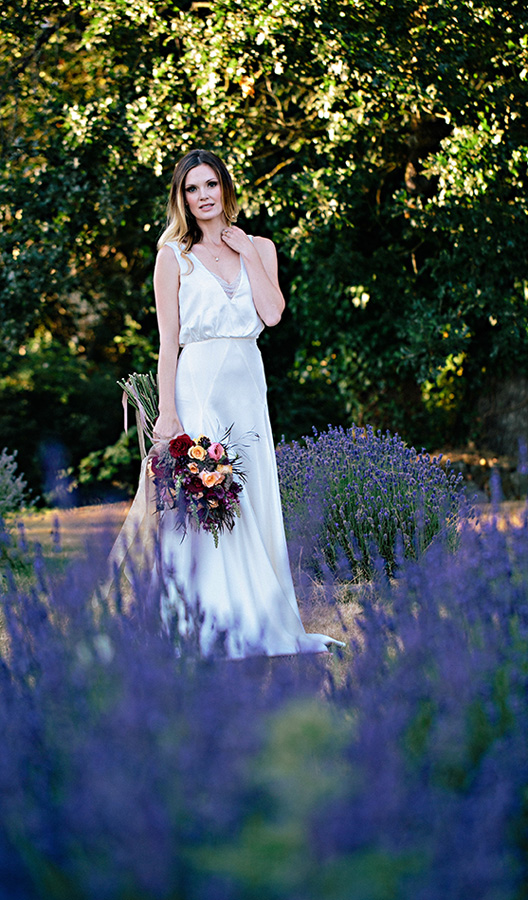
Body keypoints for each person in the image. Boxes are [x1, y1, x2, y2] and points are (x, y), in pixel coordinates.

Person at [149, 148, 342, 658]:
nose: (203, 196)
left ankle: (264, 616)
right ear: (181, 198)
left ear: (225, 188)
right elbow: (169, 342)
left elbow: (274, 314)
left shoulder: (259, 245)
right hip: (199, 385)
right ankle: (210, 617)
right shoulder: (173, 256)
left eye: (210, 184)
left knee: (252, 494)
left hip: (247, 386)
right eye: (192, 189)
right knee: (211, 494)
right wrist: (168, 411)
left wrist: (249, 254)